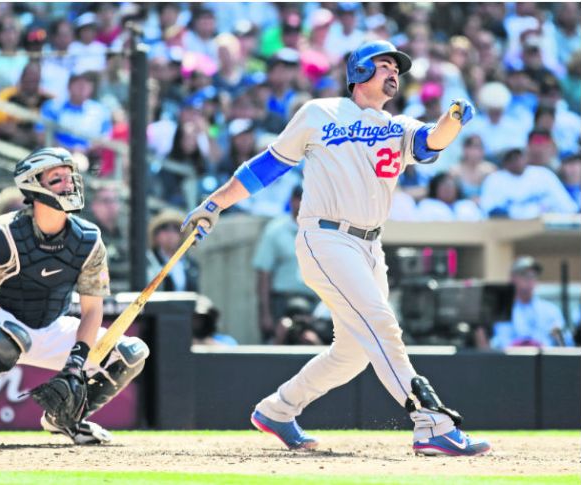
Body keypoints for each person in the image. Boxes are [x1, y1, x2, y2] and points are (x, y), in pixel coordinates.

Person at [181, 40, 490, 456]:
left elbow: (432, 141)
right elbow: (266, 167)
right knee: (381, 324)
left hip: (370, 246)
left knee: (352, 353)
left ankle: (278, 409)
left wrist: (452, 120)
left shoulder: (398, 125)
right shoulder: (319, 112)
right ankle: (430, 421)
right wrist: (215, 203)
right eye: (384, 65)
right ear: (359, 71)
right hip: (325, 237)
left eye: (396, 68)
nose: (393, 73)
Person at [0, 148, 149, 447]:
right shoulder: (0, 235)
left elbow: (91, 310)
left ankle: (65, 417)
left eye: (70, 176)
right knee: (10, 337)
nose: (69, 183)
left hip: (51, 324)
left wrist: (76, 360)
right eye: (57, 178)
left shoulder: (89, 240)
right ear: (34, 185)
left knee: (131, 352)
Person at [253, 185, 318, 344]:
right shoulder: (275, 230)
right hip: (282, 301)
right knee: (277, 347)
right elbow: (264, 274)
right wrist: (265, 313)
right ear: (292, 201)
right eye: (299, 199)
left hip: (312, 302)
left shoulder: (322, 231)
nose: (302, 203)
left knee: (312, 347)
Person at [486, 256, 575, 349]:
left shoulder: (550, 310)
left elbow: (568, 345)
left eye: (534, 275)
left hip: (545, 357)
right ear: (512, 278)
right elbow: (502, 343)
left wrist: (559, 335)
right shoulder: (503, 310)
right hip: (514, 357)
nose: (530, 278)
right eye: (524, 274)